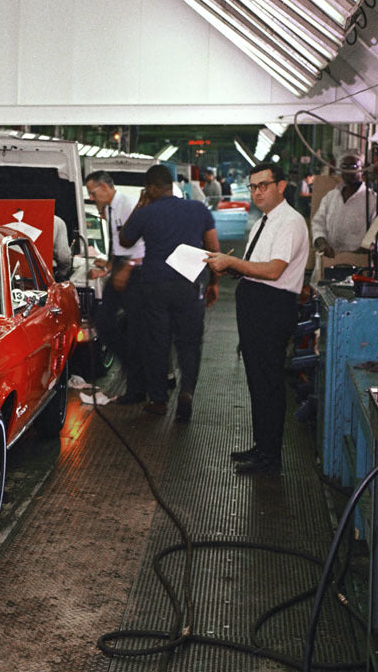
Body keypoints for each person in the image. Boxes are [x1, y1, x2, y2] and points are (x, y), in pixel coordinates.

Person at [205, 163, 309, 476]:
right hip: (256, 304)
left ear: (281, 186)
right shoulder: (264, 222)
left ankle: (270, 460)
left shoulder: (289, 222)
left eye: (263, 185)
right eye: (253, 186)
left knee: (268, 383)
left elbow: (274, 270)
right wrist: (231, 267)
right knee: (257, 382)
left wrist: (233, 261)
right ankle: (262, 446)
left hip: (272, 307)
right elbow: (256, 266)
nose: (257, 192)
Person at [120, 164, 220, 422]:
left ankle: (158, 400)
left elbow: (125, 239)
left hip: (155, 287)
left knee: (157, 344)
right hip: (189, 285)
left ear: (151, 188)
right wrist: (214, 283)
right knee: (189, 344)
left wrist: (141, 204)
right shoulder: (198, 209)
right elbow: (213, 249)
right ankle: (186, 392)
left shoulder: (147, 212)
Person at [86, 171, 146, 403]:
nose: (92, 198)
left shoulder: (126, 205)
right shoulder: (111, 208)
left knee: (130, 332)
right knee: (106, 324)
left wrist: (125, 270)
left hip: (135, 272)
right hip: (122, 266)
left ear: (104, 187)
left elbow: (141, 245)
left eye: (92, 192)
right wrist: (110, 266)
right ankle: (135, 374)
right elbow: (119, 243)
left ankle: (137, 388)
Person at [311, 152, 376, 257]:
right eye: (344, 166)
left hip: (358, 261)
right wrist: (321, 241)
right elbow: (318, 222)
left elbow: (375, 229)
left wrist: (367, 247)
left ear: (362, 170)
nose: (347, 170)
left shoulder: (372, 200)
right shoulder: (331, 197)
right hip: (330, 258)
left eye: (353, 166)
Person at [52, 214, 73, 280]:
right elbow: (63, 257)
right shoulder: (56, 221)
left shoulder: (20, 218)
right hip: (40, 279)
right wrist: (62, 273)